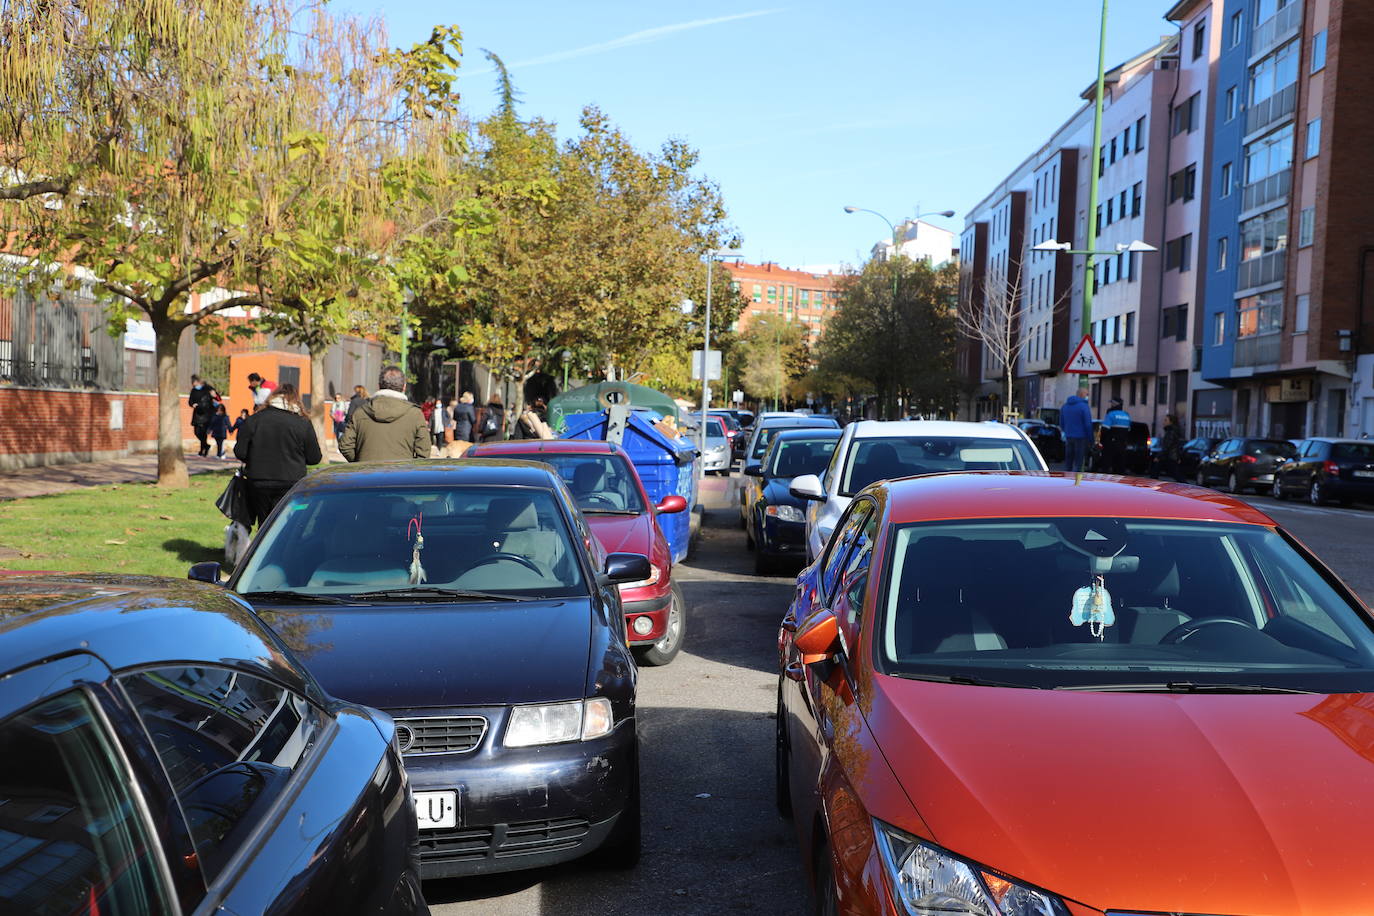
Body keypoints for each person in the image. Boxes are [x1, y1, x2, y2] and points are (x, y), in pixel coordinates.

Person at [233, 383, 321, 528]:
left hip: (258, 481)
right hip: (291, 481)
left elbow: (240, 452)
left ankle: (265, 549)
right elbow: (314, 458)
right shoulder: (302, 423)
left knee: (264, 524)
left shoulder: (254, 419)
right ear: (295, 400)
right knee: (288, 525)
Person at [338, 365, 429, 462]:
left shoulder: (360, 413)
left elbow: (345, 446)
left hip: (366, 474)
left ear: (379, 386)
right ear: (404, 386)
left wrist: (360, 463)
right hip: (402, 474)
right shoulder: (415, 414)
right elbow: (423, 452)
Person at [1060, 382, 1094, 473]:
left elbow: (1061, 423)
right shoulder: (1084, 406)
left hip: (1069, 436)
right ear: (1082, 394)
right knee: (1078, 462)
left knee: (1068, 461)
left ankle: (1067, 479)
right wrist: (1091, 439)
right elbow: (1088, 424)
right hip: (1081, 438)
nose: (1088, 396)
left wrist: (1066, 431)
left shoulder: (1065, 406)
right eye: (1087, 394)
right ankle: (1076, 482)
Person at [1101, 397, 1133, 474]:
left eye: (1112, 403)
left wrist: (1102, 442)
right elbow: (1129, 430)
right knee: (1120, 468)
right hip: (1122, 445)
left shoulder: (1111, 414)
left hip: (1110, 444)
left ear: (1115, 404)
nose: (1111, 405)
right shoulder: (1127, 415)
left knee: (1106, 467)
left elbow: (1104, 430)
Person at [1158, 413, 1184, 481]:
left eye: (1166, 420)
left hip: (1170, 457)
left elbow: (1167, 445)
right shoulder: (1171, 431)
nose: (1164, 422)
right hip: (1170, 457)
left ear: (1171, 422)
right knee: (1177, 476)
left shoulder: (1171, 431)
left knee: (1178, 476)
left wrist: (1158, 456)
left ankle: (1190, 489)